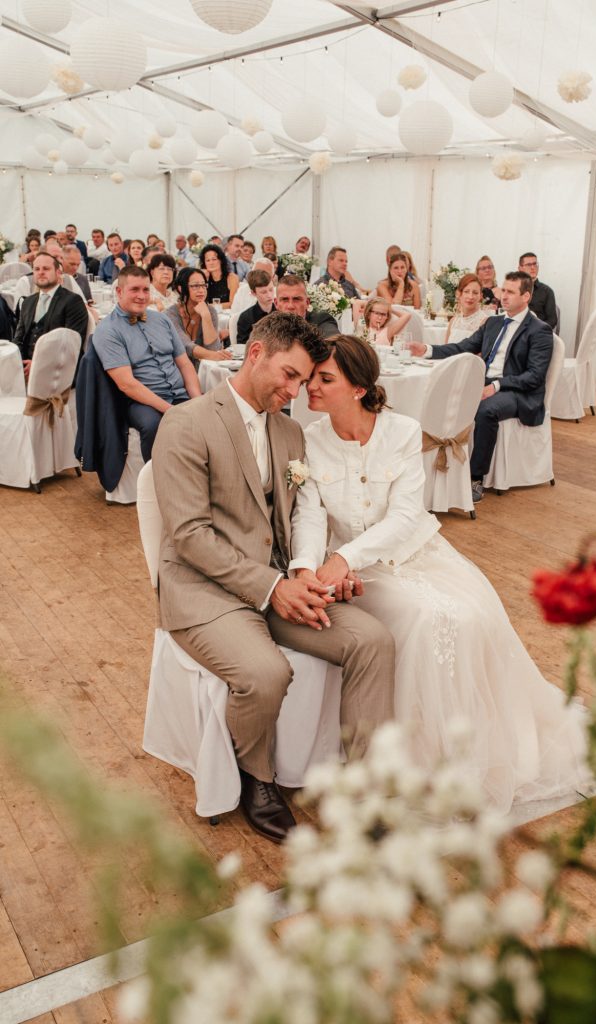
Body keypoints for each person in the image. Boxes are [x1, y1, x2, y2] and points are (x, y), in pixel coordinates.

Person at [290, 334, 590, 813]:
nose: (311, 387)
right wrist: (307, 569)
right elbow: (307, 515)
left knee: (474, 616)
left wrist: (345, 558)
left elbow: (405, 516)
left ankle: (473, 757)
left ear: (359, 389)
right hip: (356, 570)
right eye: (311, 377)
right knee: (428, 619)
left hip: (413, 553)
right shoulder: (309, 440)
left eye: (325, 379)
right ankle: (414, 763)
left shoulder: (404, 431)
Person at [152, 312, 395, 843]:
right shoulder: (186, 423)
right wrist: (270, 587)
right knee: (266, 673)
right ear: (256, 353)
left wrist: (314, 573)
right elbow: (189, 536)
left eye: (303, 381)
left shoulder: (289, 432)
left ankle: (366, 787)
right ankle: (257, 777)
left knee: (372, 641)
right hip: (204, 591)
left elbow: (300, 517)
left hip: (277, 583)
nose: (295, 391)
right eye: (289, 375)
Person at [408, 271, 553, 504]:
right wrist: (427, 350)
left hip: (517, 391)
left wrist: (496, 385)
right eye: (503, 290)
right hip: (484, 382)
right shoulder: (494, 323)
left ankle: (475, 477)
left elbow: (534, 377)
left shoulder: (539, 330)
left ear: (526, 296)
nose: (504, 296)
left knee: (485, 410)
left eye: (510, 292)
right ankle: (436, 465)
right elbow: (463, 347)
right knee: (441, 395)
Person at [91, 265, 200, 462]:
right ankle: (155, 477)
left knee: (212, 415)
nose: (142, 296)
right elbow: (127, 384)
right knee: (154, 425)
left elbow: (184, 364)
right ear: (119, 291)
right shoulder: (108, 330)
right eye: (134, 289)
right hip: (140, 401)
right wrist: (170, 410)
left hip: (178, 393)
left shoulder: (162, 320)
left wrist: (197, 401)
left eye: (145, 290)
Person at [13, 252, 89, 380]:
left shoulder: (73, 301)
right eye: (37, 269)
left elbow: (71, 345)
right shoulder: (28, 302)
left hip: (58, 371)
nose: (41, 272)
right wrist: (18, 362)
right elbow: (18, 338)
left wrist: (37, 364)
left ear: (58, 273)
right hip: (25, 368)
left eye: (46, 269)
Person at [165, 267, 230, 367]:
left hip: (203, 368)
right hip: (177, 368)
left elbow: (214, 348)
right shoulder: (170, 314)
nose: (201, 290)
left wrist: (206, 317)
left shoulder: (210, 311)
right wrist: (213, 355)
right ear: (181, 288)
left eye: (203, 285)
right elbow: (185, 346)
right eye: (195, 286)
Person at [275, 274, 338, 339]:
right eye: (285, 299)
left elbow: (334, 339)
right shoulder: (269, 324)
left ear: (307, 303)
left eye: (296, 299)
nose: (290, 306)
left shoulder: (321, 321)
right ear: (276, 303)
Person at [443, 273, 495, 341]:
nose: (470, 297)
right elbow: (446, 347)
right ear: (459, 294)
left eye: (475, 293)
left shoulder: (485, 322)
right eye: (466, 292)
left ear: (480, 296)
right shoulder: (453, 322)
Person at [519, 252, 557, 330]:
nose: (533, 267)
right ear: (520, 268)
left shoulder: (547, 291)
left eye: (535, 264)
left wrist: (536, 330)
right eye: (529, 265)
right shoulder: (513, 289)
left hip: (537, 332)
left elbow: (552, 320)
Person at [236, 269, 275, 346]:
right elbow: (242, 346)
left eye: (271, 290)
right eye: (263, 292)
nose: (269, 295)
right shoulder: (245, 317)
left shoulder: (282, 312)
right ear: (253, 293)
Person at [199, 243, 238, 308]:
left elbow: (233, 303)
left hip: (227, 313)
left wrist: (209, 306)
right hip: (208, 313)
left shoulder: (231, 277)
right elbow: (199, 302)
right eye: (208, 260)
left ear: (221, 260)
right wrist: (204, 279)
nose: (211, 263)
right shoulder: (203, 278)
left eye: (214, 259)